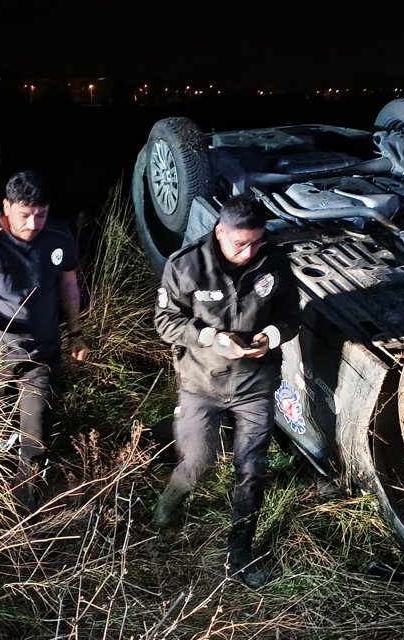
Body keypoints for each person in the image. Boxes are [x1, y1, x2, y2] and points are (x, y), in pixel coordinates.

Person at [151, 193, 301, 588]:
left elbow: (291, 316)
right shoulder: (186, 265)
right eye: (241, 243)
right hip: (202, 382)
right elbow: (165, 322)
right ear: (220, 232)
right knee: (197, 461)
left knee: (251, 470)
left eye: (256, 241)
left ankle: (241, 554)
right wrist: (214, 339)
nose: (249, 251)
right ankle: (165, 514)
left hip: (255, 386)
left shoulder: (275, 262)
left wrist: (270, 336)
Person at [0, 170, 88, 514]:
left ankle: (24, 507)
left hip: (42, 351)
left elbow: (68, 283)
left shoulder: (58, 234)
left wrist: (75, 333)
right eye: (24, 215)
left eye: (40, 215)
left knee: (36, 432)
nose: (33, 224)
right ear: (7, 207)